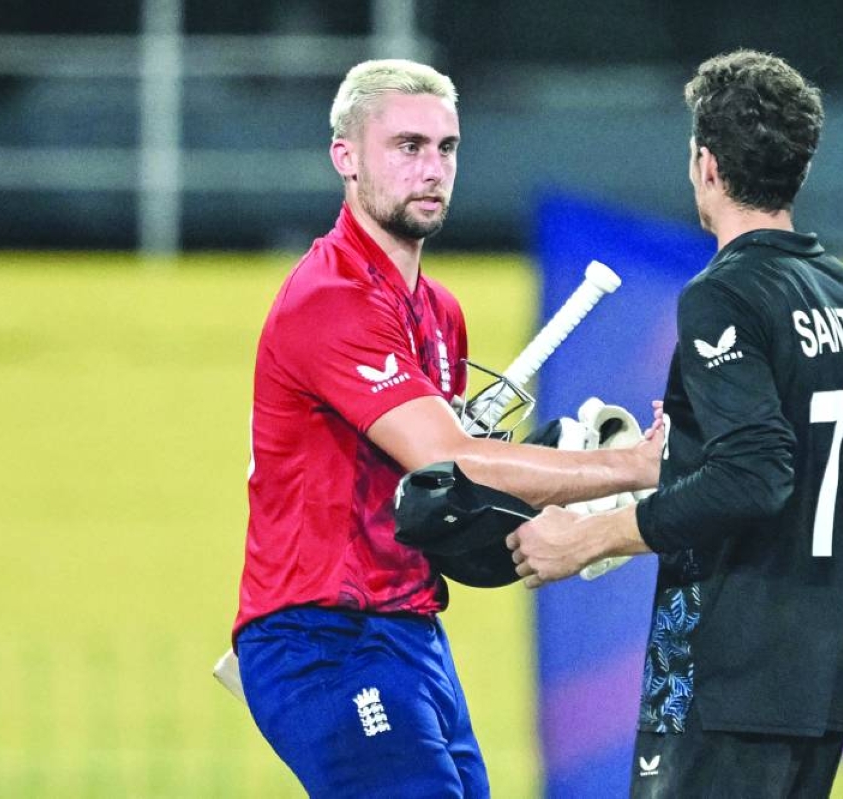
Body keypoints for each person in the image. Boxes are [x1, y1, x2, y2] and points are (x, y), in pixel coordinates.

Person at [231, 58, 662, 798]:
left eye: (446, 147)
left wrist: (544, 502)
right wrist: (635, 470)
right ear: (347, 157)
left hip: (409, 633)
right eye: (407, 146)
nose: (432, 168)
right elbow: (452, 457)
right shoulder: (329, 297)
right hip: (320, 640)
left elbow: (438, 501)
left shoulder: (438, 313)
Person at [508, 49, 843, 798]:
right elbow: (790, 448)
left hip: (727, 673)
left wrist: (582, 536)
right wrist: (686, 446)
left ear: (706, 165)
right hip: (821, 672)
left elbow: (755, 475)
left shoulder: (726, 294)